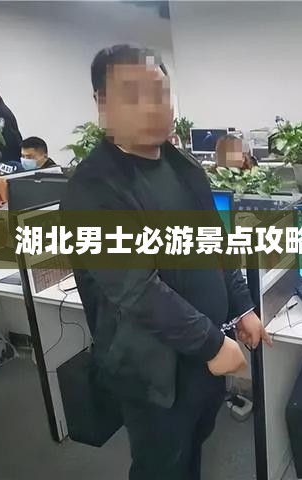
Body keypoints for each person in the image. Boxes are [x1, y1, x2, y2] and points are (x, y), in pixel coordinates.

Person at [62, 44, 271, 480]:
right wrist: (213, 345)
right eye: (133, 94)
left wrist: (242, 307)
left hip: (203, 353)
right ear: (102, 103)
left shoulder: (183, 167)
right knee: (161, 464)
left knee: (193, 446)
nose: (153, 105)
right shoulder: (93, 190)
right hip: (154, 372)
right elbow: (137, 289)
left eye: (160, 92)